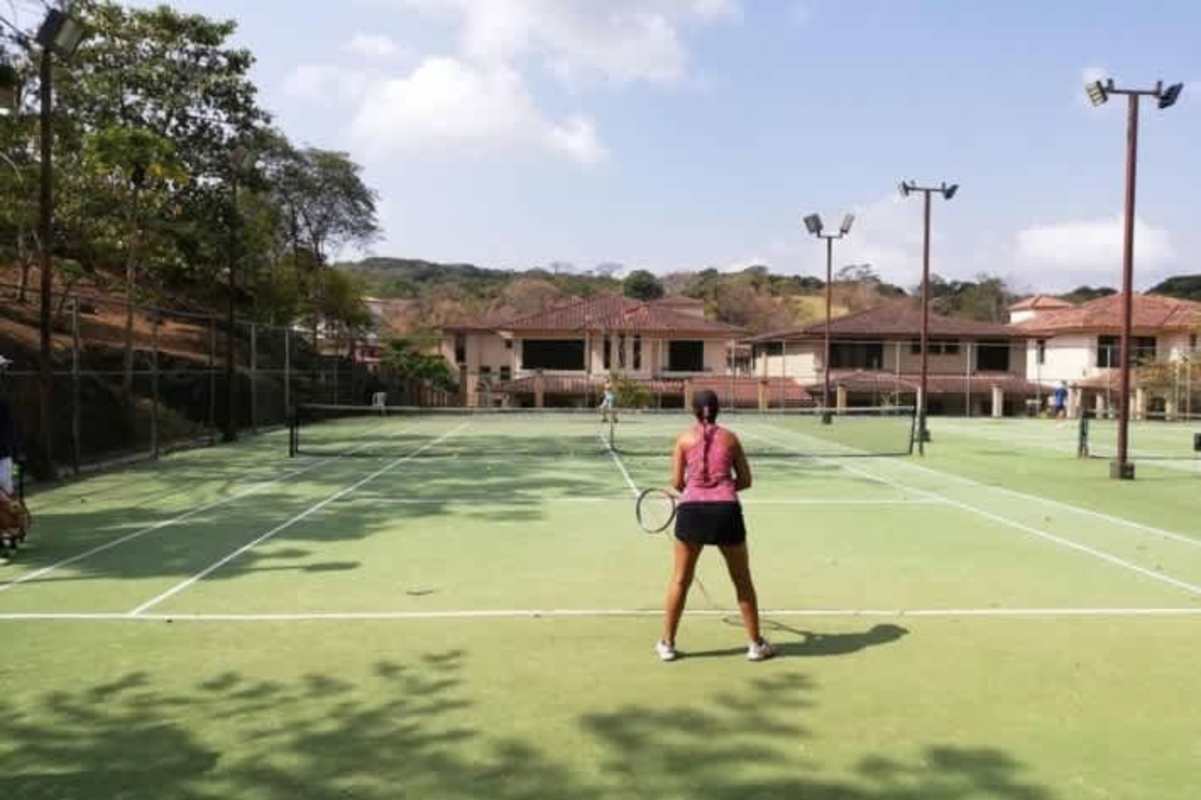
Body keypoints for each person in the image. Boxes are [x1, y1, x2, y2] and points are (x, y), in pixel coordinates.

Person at [656, 389, 773, 662]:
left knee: (680, 579)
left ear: (694, 411)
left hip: (692, 512)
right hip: (726, 512)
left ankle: (667, 644)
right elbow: (746, 480)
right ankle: (755, 645)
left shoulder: (684, 439)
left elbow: (677, 482)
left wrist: (696, 490)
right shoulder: (730, 438)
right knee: (742, 580)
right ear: (717, 409)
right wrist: (722, 488)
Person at [0, 355, 17, 498]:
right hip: (4, 452)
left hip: (4, 452)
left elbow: (9, 426)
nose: (4, 371)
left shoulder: (3, 399)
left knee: (7, 489)